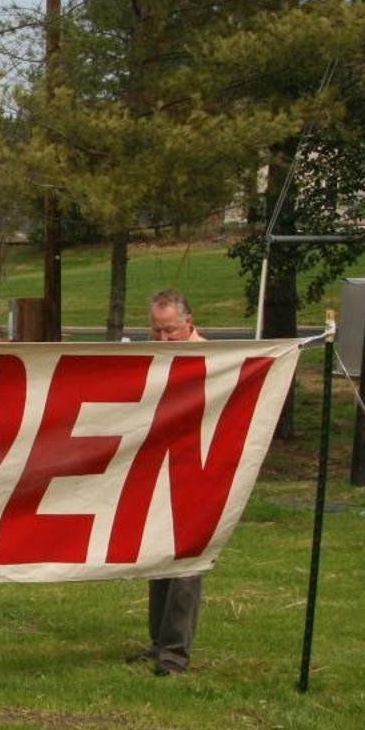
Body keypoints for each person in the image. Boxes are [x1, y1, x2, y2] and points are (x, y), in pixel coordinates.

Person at [133, 289, 206, 675]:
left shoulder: (215, 362)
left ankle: (175, 653)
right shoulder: (155, 359)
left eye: (170, 332)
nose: (162, 340)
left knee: (187, 561)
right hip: (160, 470)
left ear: (189, 323)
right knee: (159, 556)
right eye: (156, 331)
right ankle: (159, 641)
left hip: (198, 471)